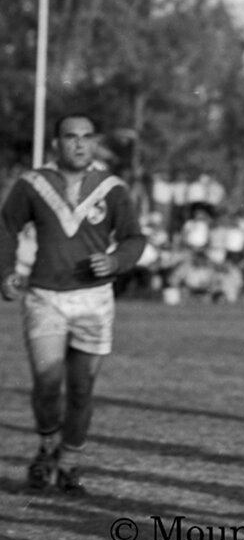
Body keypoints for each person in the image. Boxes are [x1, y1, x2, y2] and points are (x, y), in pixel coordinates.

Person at [0, 113, 146, 494]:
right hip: (45, 296)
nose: (79, 144)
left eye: (86, 137)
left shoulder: (112, 188)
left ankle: (69, 464)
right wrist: (6, 272)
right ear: (56, 143)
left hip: (94, 301)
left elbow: (134, 238)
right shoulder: (33, 184)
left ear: (95, 142)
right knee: (47, 384)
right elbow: (6, 228)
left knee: (81, 389)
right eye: (70, 137)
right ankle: (47, 447)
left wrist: (116, 261)